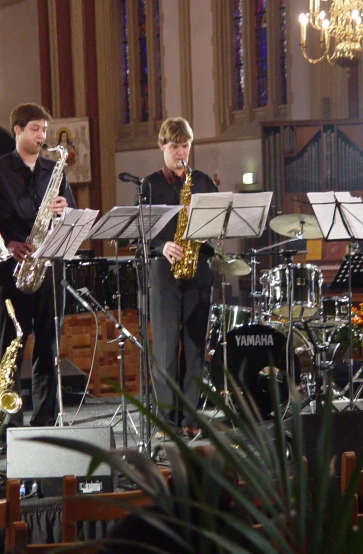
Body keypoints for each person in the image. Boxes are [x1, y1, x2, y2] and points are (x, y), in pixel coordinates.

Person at [0, 103, 75, 427]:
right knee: (11, 350)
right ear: (17, 130)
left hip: (48, 271)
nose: (42, 136)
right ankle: (10, 425)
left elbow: (72, 215)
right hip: (12, 271)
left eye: (44, 130)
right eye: (35, 129)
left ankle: (45, 420)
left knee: (48, 348)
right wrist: (7, 244)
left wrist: (64, 210)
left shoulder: (53, 170)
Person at [141, 117, 218, 438]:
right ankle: (166, 421)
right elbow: (138, 234)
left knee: (195, 348)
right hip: (163, 272)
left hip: (198, 269)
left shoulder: (202, 181)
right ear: (162, 147)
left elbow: (216, 224)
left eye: (185, 145)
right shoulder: (148, 185)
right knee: (165, 348)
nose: (181, 152)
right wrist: (162, 245)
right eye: (174, 146)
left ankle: (189, 418)